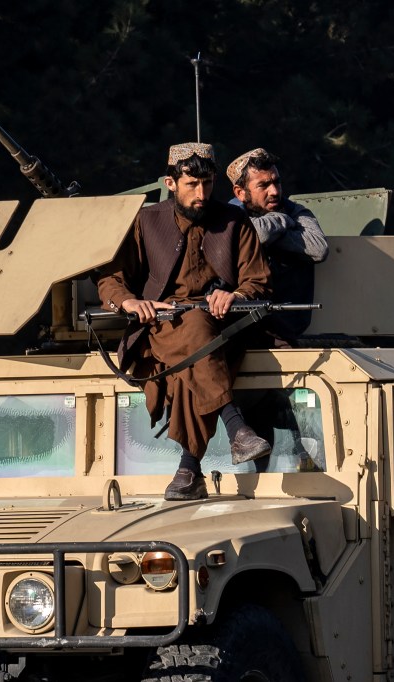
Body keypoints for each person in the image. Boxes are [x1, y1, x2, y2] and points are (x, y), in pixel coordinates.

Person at [97, 142, 272, 501]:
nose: (202, 194)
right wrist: (130, 301)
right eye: (192, 185)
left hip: (225, 325)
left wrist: (235, 295)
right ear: (171, 182)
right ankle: (235, 426)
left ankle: (190, 468)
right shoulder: (146, 221)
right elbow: (110, 279)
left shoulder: (234, 221)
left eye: (207, 185)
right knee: (195, 333)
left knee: (194, 358)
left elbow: (258, 279)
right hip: (160, 324)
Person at [227, 148, 328, 346]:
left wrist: (273, 236)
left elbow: (319, 248)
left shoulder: (295, 210)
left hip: (283, 327)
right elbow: (255, 234)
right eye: (263, 185)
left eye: (276, 182)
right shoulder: (230, 212)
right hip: (238, 324)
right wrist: (279, 220)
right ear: (240, 193)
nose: (274, 191)